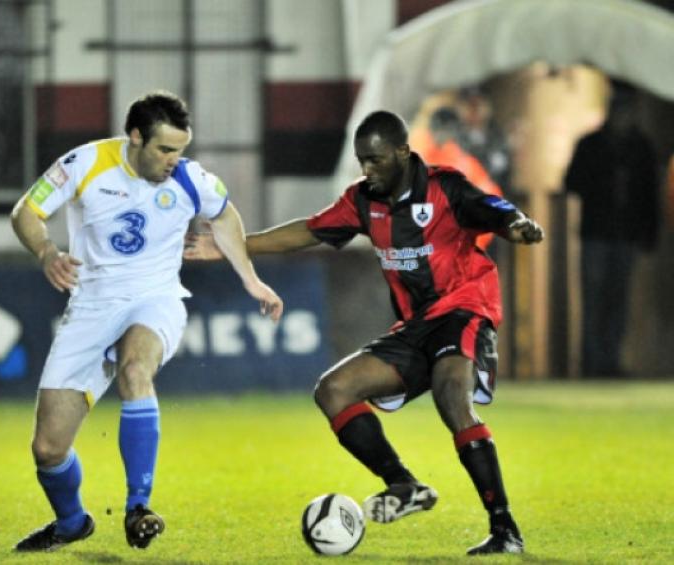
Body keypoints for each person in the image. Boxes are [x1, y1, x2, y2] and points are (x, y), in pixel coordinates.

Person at [186, 110, 543, 555]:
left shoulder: (445, 186)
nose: (367, 170)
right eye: (362, 160)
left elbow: (493, 209)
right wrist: (231, 245)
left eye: (375, 160)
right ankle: (404, 485)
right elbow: (307, 232)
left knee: (452, 394)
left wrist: (517, 225)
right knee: (333, 391)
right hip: (416, 325)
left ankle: (504, 528)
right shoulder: (361, 201)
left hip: (464, 306)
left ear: (402, 153)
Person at [10, 91, 283, 552]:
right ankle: (73, 522)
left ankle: (140, 506)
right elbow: (26, 212)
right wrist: (46, 251)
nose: (176, 160)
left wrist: (251, 280)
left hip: (155, 299)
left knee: (135, 371)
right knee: (48, 450)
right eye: (165, 149)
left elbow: (225, 216)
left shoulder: (191, 179)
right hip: (91, 307)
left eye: (181, 148)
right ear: (134, 137)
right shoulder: (85, 163)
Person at [564, 87, 658, 378]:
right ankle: (592, 362)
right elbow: (573, 181)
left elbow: (648, 194)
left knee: (618, 298)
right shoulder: (591, 145)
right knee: (594, 298)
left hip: (625, 234)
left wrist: (648, 233)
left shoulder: (640, 148)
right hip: (597, 232)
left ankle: (610, 360)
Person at [420, 106, 503, 250]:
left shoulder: (464, 165)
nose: (439, 135)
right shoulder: (466, 164)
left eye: (443, 130)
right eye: (438, 130)